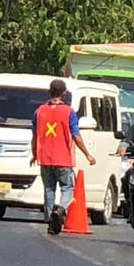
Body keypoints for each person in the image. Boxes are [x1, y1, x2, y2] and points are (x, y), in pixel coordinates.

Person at [30, 79, 97, 235]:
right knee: (68, 188)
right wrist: (87, 154)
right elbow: (76, 136)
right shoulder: (69, 112)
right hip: (63, 159)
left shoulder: (39, 111)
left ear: (50, 92)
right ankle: (60, 210)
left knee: (49, 189)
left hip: (45, 159)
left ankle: (50, 221)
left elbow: (34, 136)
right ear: (64, 94)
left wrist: (34, 154)